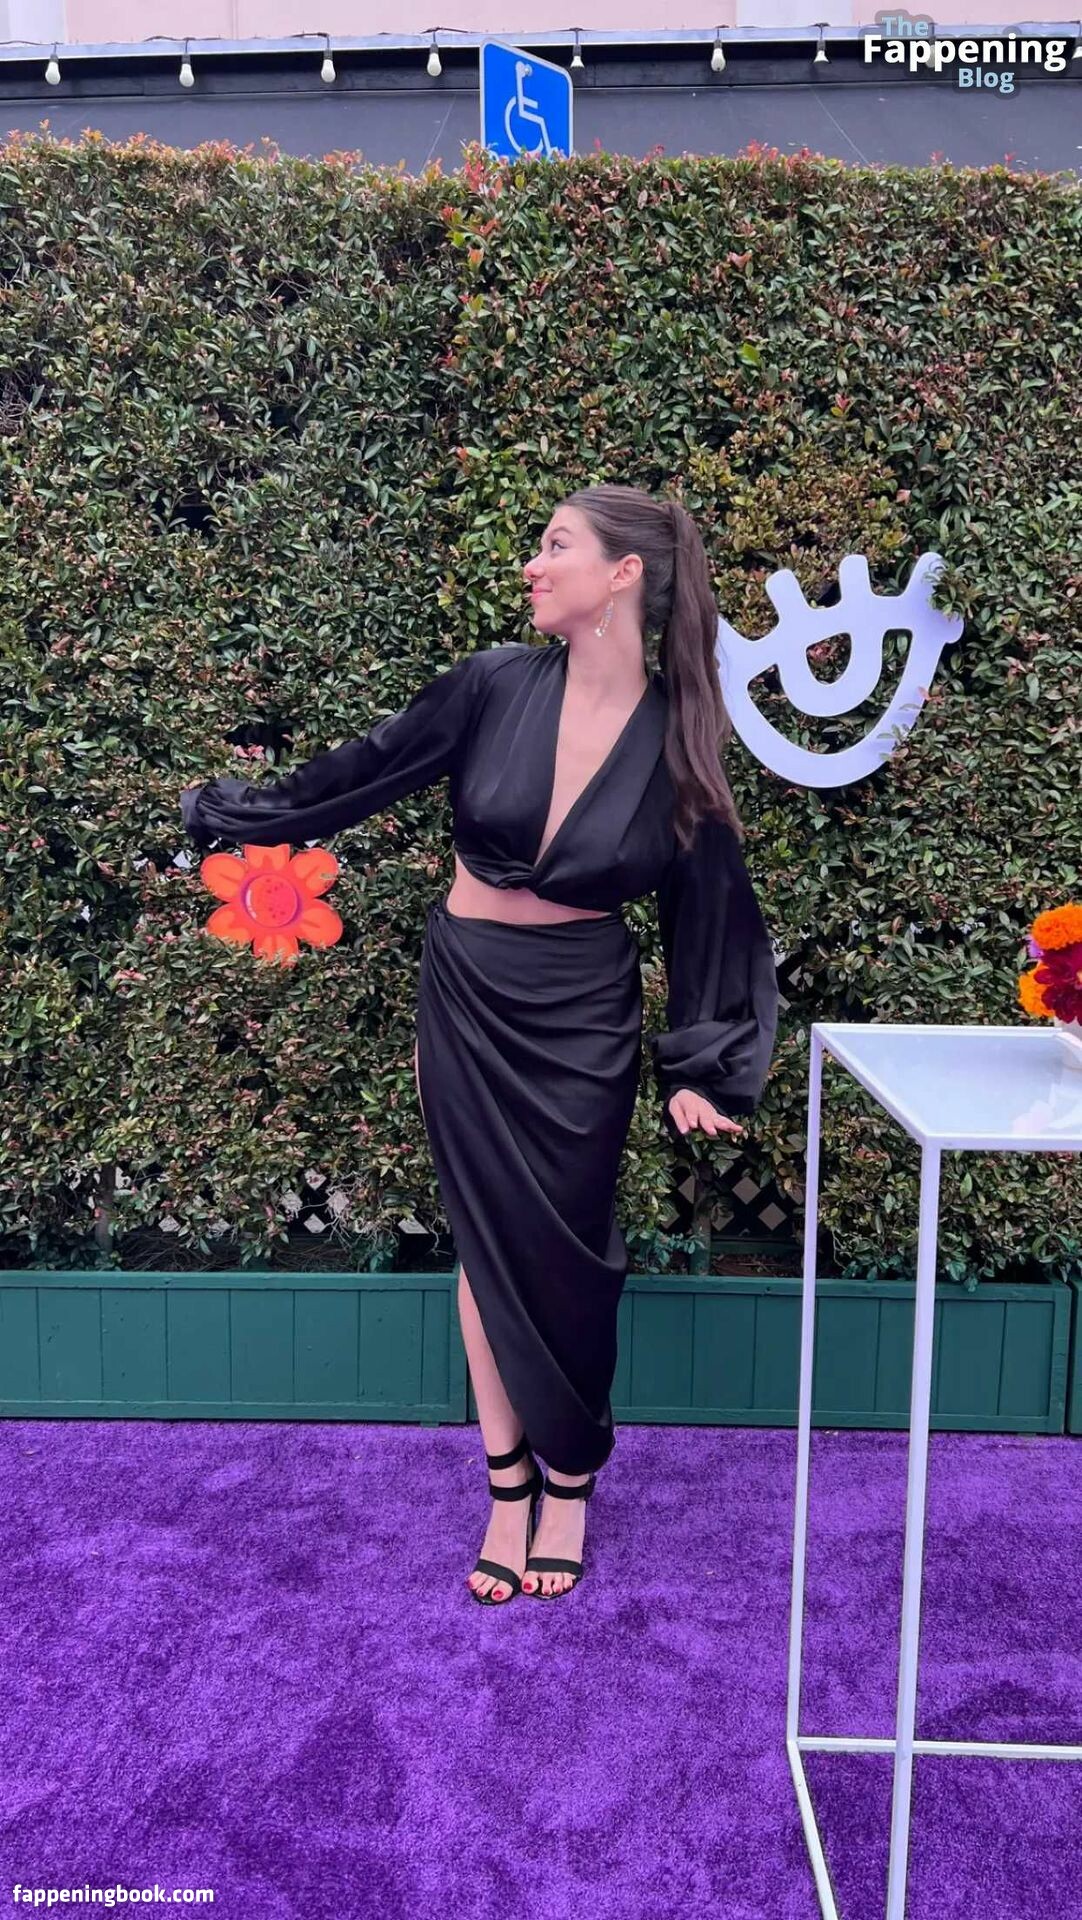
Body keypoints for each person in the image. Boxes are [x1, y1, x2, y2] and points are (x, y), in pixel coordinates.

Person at [180, 482, 780, 1607]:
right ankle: (509, 1486)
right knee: (485, 1240)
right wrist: (238, 815)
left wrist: (702, 1064)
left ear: (623, 575)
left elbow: (710, 907)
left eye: (555, 546)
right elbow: (362, 772)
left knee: (570, 1251)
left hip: (582, 1014)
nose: (531, 565)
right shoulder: (492, 684)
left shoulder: (678, 740)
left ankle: (572, 1476)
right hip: (466, 991)